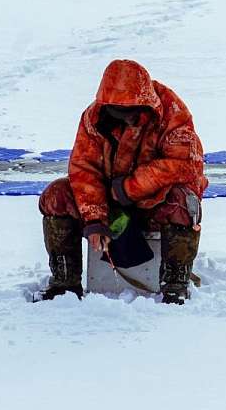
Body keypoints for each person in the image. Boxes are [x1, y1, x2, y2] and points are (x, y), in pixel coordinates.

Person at [36, 59, 207, 304]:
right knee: (56, 196)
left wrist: (129, 189)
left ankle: (175, 284)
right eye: (118, 113)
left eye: (131, 114)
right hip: (109, 202)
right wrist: (95, 218)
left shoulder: (172, 112)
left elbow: (185, 164)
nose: (126, 119)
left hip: (155, 201)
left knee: (184, 202)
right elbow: (84, 169)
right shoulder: (93, 118)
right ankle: (65, 283)